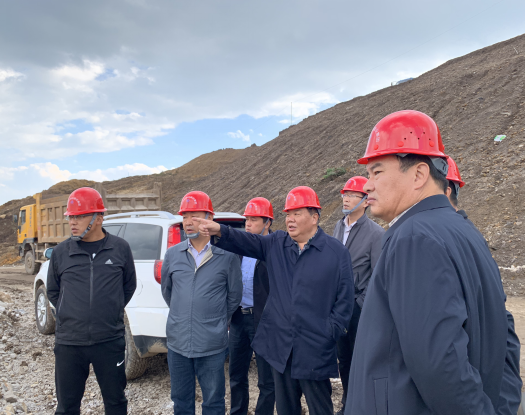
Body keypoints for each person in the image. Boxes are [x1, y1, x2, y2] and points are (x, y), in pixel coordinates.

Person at [345, 110, 522, 415]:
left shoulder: (414, 237)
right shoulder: (464, 230)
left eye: (376, 172)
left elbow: (440, 366)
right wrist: (503, 406)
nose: (367, 186)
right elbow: (504, 333)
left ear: (418, 175)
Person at [194, 186, 354, 416]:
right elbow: (246, 240)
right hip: (281, 348)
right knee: (286, 408)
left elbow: (345, 300)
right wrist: (219, 229)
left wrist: (329, 332)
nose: (290, 219)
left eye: (297, 213)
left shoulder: (335, 252)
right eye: (288, 214)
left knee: (320, 408)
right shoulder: (277, 243)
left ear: (314, 217)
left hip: (314, 349)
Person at [47, 187, 137, 415]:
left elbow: (128, 287)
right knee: (66, 407)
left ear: (98, 218)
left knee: (116, 403)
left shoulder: (120, 249)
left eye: (79, 216)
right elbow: (53, 291)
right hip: (70, 343)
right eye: (71, 217)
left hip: (109, 341)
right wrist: (70, 315)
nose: (72, 222)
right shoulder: (60, 252)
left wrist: (109, 311)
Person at [445, 155, 523, 415]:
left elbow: (501, 320)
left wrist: (504, 401)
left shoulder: (455, 239)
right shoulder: (466, 233)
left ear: (445, 190)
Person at [161, 191, 242, 415]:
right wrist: (183, 315)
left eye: (194, 216)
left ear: (209, 218)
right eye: (184, 217)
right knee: (181, 401)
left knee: (214, 402)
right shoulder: (173, 254)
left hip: (211, 344)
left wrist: (214, 320)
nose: (187, 222)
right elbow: (168, 292)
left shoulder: (227, 256)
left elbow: (234, 296)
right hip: (178, 343)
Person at [331, 176, 384, 414]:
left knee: (359, 358)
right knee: (343, 358)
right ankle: (347, 404)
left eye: (353, 195)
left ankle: (361, 406)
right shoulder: (338, 227)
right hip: (336, 304)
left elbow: (378, 273)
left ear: (365, 201)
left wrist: (361, 303)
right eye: (345, 194)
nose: (346, 198)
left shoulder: (375, 233)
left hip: (357, 306)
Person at [229, 197, 276, 415]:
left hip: (264, 321)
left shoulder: (275, 249)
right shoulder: (239, 248)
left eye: (254, 219)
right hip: (239, 318)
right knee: (236, 374)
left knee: (267, 379)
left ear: (267, 222)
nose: (248, 224)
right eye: (246, 219)